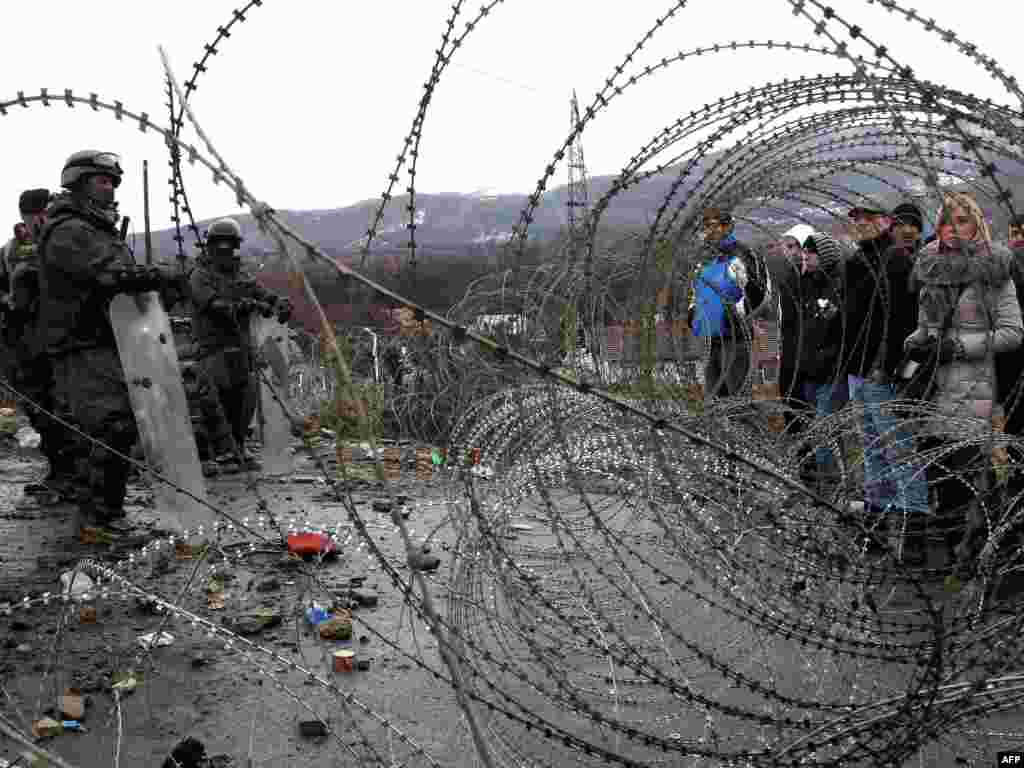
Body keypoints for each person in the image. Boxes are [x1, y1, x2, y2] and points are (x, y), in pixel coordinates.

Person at [36, 150, 172, 528]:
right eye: (101, 180)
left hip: (108, 340)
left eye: (112, 181)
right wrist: (153, 275)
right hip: (81, 343)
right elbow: (107, 276)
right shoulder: (69, 230)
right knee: (107, 424)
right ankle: (99, 520)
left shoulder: (97, 229)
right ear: (79, 183)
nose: (109, 187)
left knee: (115, 424)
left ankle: (105, 512)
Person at [903, 191, 1023, 573]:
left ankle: (971, 552)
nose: (953, 228)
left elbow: (1012, 333)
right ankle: (956, 548)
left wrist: (958, 347)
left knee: (966, 475)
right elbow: (925, 327)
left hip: (973, 385)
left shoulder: (993, 271)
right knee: (935, 473)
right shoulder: (930, 269)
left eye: (962, 220)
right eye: (946, 221)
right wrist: (916, 341)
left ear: (977, 226)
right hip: (931, 387)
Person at [839, 198, 929, 551]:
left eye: (867, 217)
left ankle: (913, 539)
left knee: (900, 454)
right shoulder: (856, 261)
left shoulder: (895, 259)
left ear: (884, 222)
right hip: (858, 370)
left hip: (882, 373)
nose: (860, 223)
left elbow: (898, 321)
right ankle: (876, 527)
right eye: (855, 218)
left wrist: (888, 367)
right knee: (873, 451)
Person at [189, 217, 292, 470]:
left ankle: (237, 447)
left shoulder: (241, 275)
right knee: (214, 402)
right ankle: (218, 454)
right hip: (212, 347)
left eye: (230, 244)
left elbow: (260, 291)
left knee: (243, 401)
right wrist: (242, 306)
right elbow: (213, 304)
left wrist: (278, 302)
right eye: (219, 244)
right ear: (210, 246)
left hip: (241, 348)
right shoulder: (200, 275)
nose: (225, 249)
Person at [689, 206, 772, 399]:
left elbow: (760, 292)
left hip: (735, 340)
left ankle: (749, 429)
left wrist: (735, 315)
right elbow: (696, 291)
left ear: (728, 227)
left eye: (714, 226)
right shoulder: (705, 259)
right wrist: (692, 313)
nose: (709, 231)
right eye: (706, 226)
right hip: (709, 338)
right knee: (715, 399)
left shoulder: (743, 255)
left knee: (738, 401)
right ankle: (722, 430)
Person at [787, 232, 846, 483]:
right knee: (817, 429)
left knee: (826, 430)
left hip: (831, 371)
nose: (805, 256)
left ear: (824, 256)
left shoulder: (839, 286)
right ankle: (823, 481)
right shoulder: (805, 283)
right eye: (805, 252)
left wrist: (828, 357)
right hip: (808, 369)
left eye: (811, 253)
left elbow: (841, 330)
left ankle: (833, 482)